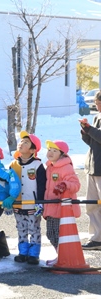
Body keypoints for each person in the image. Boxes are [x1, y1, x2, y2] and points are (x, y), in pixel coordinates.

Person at [9, 131, 46, 265]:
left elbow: (42, 186)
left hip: (32, 204)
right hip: (18, 204)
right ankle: (22, 252)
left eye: (26, 142)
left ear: (32, 149)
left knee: (34, 228)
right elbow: (9, 184)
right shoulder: (13, 164)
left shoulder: (37, 165)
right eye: (21, 141)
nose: (21, 144)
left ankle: (34, 253)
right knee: (21, 228)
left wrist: (40, 202)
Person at [43, 140, 81, 266]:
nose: (51, 153)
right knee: (50, 233)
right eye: (49, 150)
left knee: (59, 234)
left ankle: (63, 257)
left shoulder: (66, 167)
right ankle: (60, 255)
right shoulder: (49, 166)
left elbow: (75, 185)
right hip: (51, 206)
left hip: (62, 208)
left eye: (55, 151)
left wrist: (65, 185)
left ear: (62, 154)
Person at [80, 95, 101, 250]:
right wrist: (85, 131)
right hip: (92, 166)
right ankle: (97, 238)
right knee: (91, 205)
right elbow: (92, 142)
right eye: (96, 103)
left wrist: (90, 130)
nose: (96, 106)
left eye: (98, 103)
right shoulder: (97, 118)